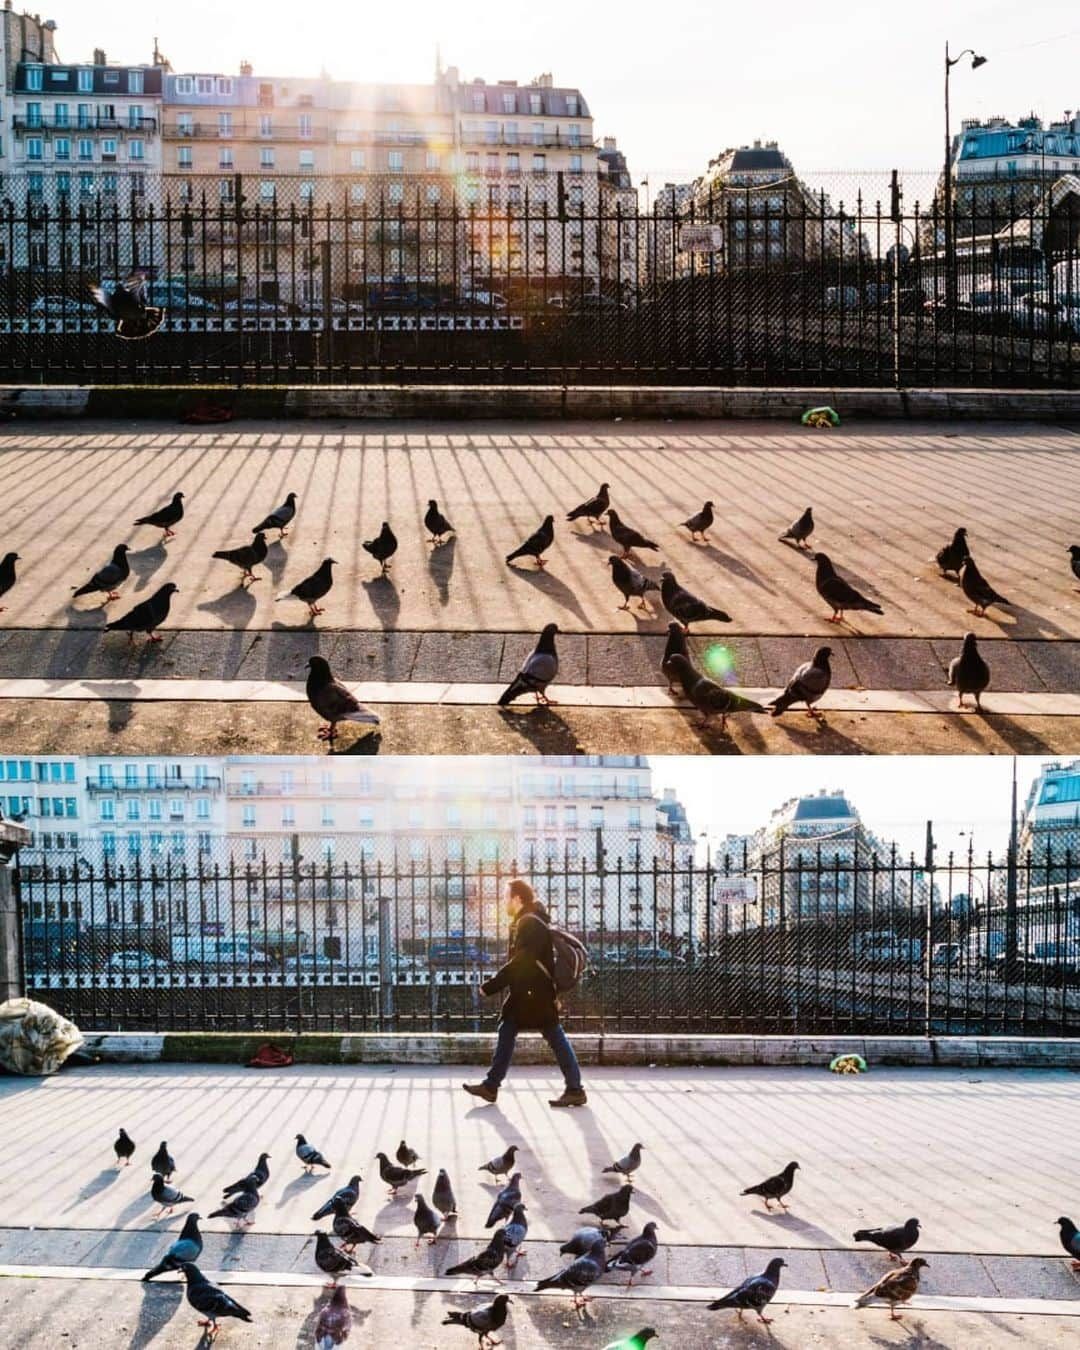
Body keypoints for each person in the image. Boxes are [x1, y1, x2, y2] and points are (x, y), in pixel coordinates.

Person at [463, 881, 586, 1109]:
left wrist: (491, 985)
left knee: (552, 1036)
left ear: (518, 898)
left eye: (506, 897)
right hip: (531, 993)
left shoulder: (528, 923)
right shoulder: (531, 920)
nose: (504, 901)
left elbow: (522, 962)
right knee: (509, 1030)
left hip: (533, 994)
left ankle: (575, 1089)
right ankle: (491, 1086)